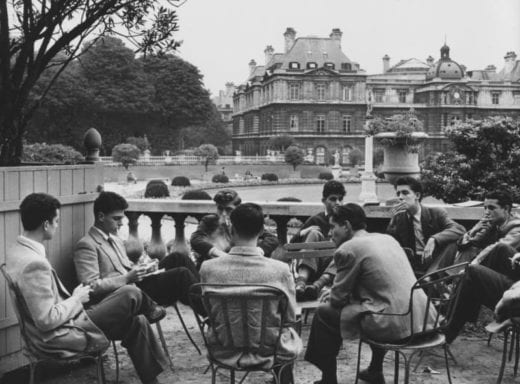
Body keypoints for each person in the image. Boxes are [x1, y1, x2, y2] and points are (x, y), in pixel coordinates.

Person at [7, 193, 167, 384]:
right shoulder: (34, 264)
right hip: (59, 336)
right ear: (46, 224)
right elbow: (46, 321)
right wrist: (77, 298)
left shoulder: (17, 251)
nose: (57, 226)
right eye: (56, 221)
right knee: (130, 292)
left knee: (137, 321)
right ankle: (151, 310)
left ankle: (153, 380)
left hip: (66, 324)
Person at [305, 204, 437, 384]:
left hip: (395, 325)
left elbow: (337, 300)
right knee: (375, 306)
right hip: (424, 319)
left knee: (323, 313)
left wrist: (333, 294)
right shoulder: (387, 239)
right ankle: (375, 370)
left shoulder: (349, 248)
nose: (329, 233)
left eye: (332, 227)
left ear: (346, 225)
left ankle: (328, 379)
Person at [200, 203, 302, 383]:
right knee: (290, 327)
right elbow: (290, 317)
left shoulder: (208, 268)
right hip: (270, 351)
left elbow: (210, 313)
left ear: (231, 229)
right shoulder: (280, 270)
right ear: (262, 230)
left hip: (223, 349)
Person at [74, 191, 204, 316]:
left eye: (122, 218)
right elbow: (90, 286)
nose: (121, 223)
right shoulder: (87, 245)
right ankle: (213, 315)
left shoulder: (115, 238)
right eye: (116, 219)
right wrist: (127, 278)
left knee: (178, 257)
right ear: (101, 216)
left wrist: (145, 268)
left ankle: (209, 301)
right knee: (181, 275)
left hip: (136, 285)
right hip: (123, 296)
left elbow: (125, 266)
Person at [386, 176, 465, 274]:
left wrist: (434, 239)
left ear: (417, 196)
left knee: (452, 243)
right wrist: (392, 221)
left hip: (434, 261)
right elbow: (390, 247)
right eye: (398, 193)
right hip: (412, 264)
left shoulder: (436, 213)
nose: (400, 197)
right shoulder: (399, 218)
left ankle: (430, 277)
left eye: (405, 193)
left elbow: (459, 229)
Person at [190, 189, 279, 268]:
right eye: (220, 209)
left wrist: (258, 251)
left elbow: (272, 239)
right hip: (214, 266)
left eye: (228, 210)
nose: (224, 214)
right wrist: (217, 253)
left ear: (238, 209)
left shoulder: (246, 221)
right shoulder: (209, 221)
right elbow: (196, 239)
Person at [290, 180, 346, 301]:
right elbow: (292, 245)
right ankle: (301, 282)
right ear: (323, 201)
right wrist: (304, 232)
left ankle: (317, 286)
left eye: (340, 199)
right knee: (314, 233)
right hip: (312, 266)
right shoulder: (316, 219)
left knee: (344, 248)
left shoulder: (345, 222)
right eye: (333, 199)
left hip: (332, 268)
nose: (338, 203)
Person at [459, 190, 520, 265]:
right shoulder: (491, 222)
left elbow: (497, 248)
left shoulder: (517, 226)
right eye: (485, 208)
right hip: (492, 264)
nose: (486, 212)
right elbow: (467, 245)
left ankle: (459, 275)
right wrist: (473, 232)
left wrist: (473, 264)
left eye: (491, 208)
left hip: (509, 270)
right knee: (469, 249)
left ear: (506, 209)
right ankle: (454, 276)